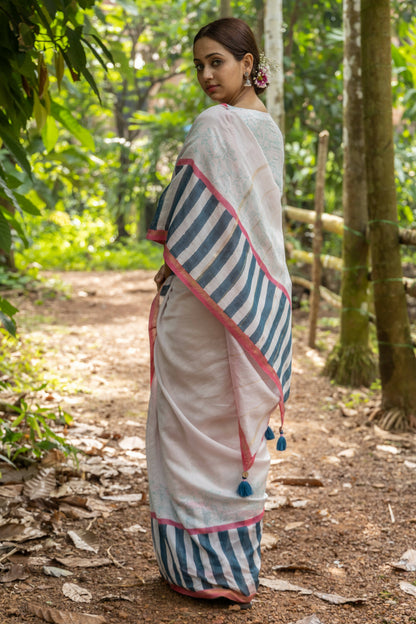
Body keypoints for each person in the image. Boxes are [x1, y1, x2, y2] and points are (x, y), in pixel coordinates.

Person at [146, 17, 292, 607]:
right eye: (200, 65)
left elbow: (184, 216)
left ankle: (199, 568)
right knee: (207, 428)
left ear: (248, 61)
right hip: (245, 302)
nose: (207, 75)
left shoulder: (218, 126)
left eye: (218, 63)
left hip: (207, 307)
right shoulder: (265, 130)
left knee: (198, 427)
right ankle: (223, 567)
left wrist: (179, 259)